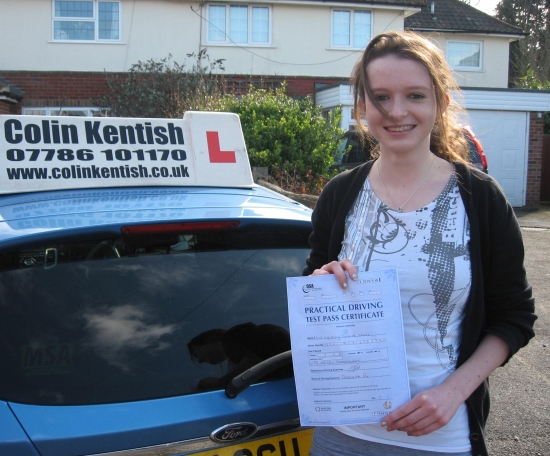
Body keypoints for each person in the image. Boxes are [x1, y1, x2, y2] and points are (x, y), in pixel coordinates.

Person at [303, 31, 536, 456]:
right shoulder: (340, 195)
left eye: (414, 95)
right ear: (362, 106)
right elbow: (313, 293)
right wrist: (321, 281)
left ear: (440, 103)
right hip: (341, 435)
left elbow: (515, 317)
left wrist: (454, 393)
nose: (397, 112)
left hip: (438, 440)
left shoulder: (480, 199)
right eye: (381, 98)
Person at [187, 322, 292, 390]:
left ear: (209, 341)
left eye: (196, 353)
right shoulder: (237, 345)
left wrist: (219, 383)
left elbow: (255, 361)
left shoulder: (231, 339)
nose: (200, 360)